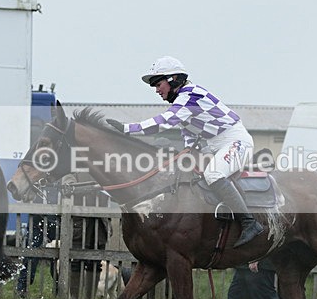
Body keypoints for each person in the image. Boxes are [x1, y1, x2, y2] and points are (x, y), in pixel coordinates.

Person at [106, 56, 263, 248]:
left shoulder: (190, 95)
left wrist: (127, 129)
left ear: (173, 80)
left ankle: (249, 223)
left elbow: (165, 121)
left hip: (236, 141)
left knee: (213, 174)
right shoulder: (182, 102)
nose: (156, 90)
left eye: (158, 84)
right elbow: (188, 136)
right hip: (214, 146)